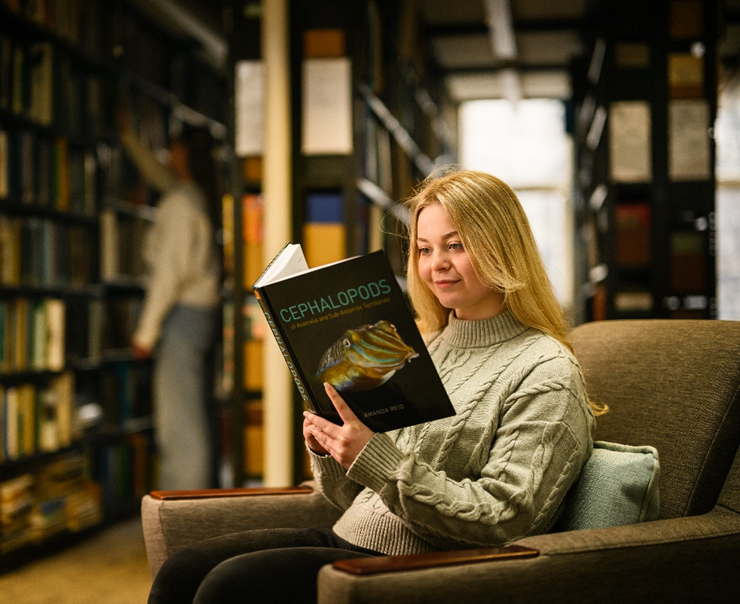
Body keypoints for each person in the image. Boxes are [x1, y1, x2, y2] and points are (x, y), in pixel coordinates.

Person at [147, 168, 603, 603]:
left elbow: (506, 519)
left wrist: (375, 457)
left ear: (503, 248)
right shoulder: (423, 346)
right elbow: (358, 494)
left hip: (416, 568)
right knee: (184, 569)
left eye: (455, 245)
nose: (436, 265)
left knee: (230, 588)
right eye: (424, 250)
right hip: (351, 537)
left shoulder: (545, 370)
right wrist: (331, 449)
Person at [121, 123, 221, 491]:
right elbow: (159, 175)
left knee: (180, 422)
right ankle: (195, 500)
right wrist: (128, 135)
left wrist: (145, 332)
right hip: (200, 315)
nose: (168, 155)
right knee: (193, 414)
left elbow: (167, 276)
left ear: (184, 154)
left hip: (183, 317)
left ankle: (183, 507)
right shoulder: (194, 195)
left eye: (174, 149)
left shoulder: (181, 204)